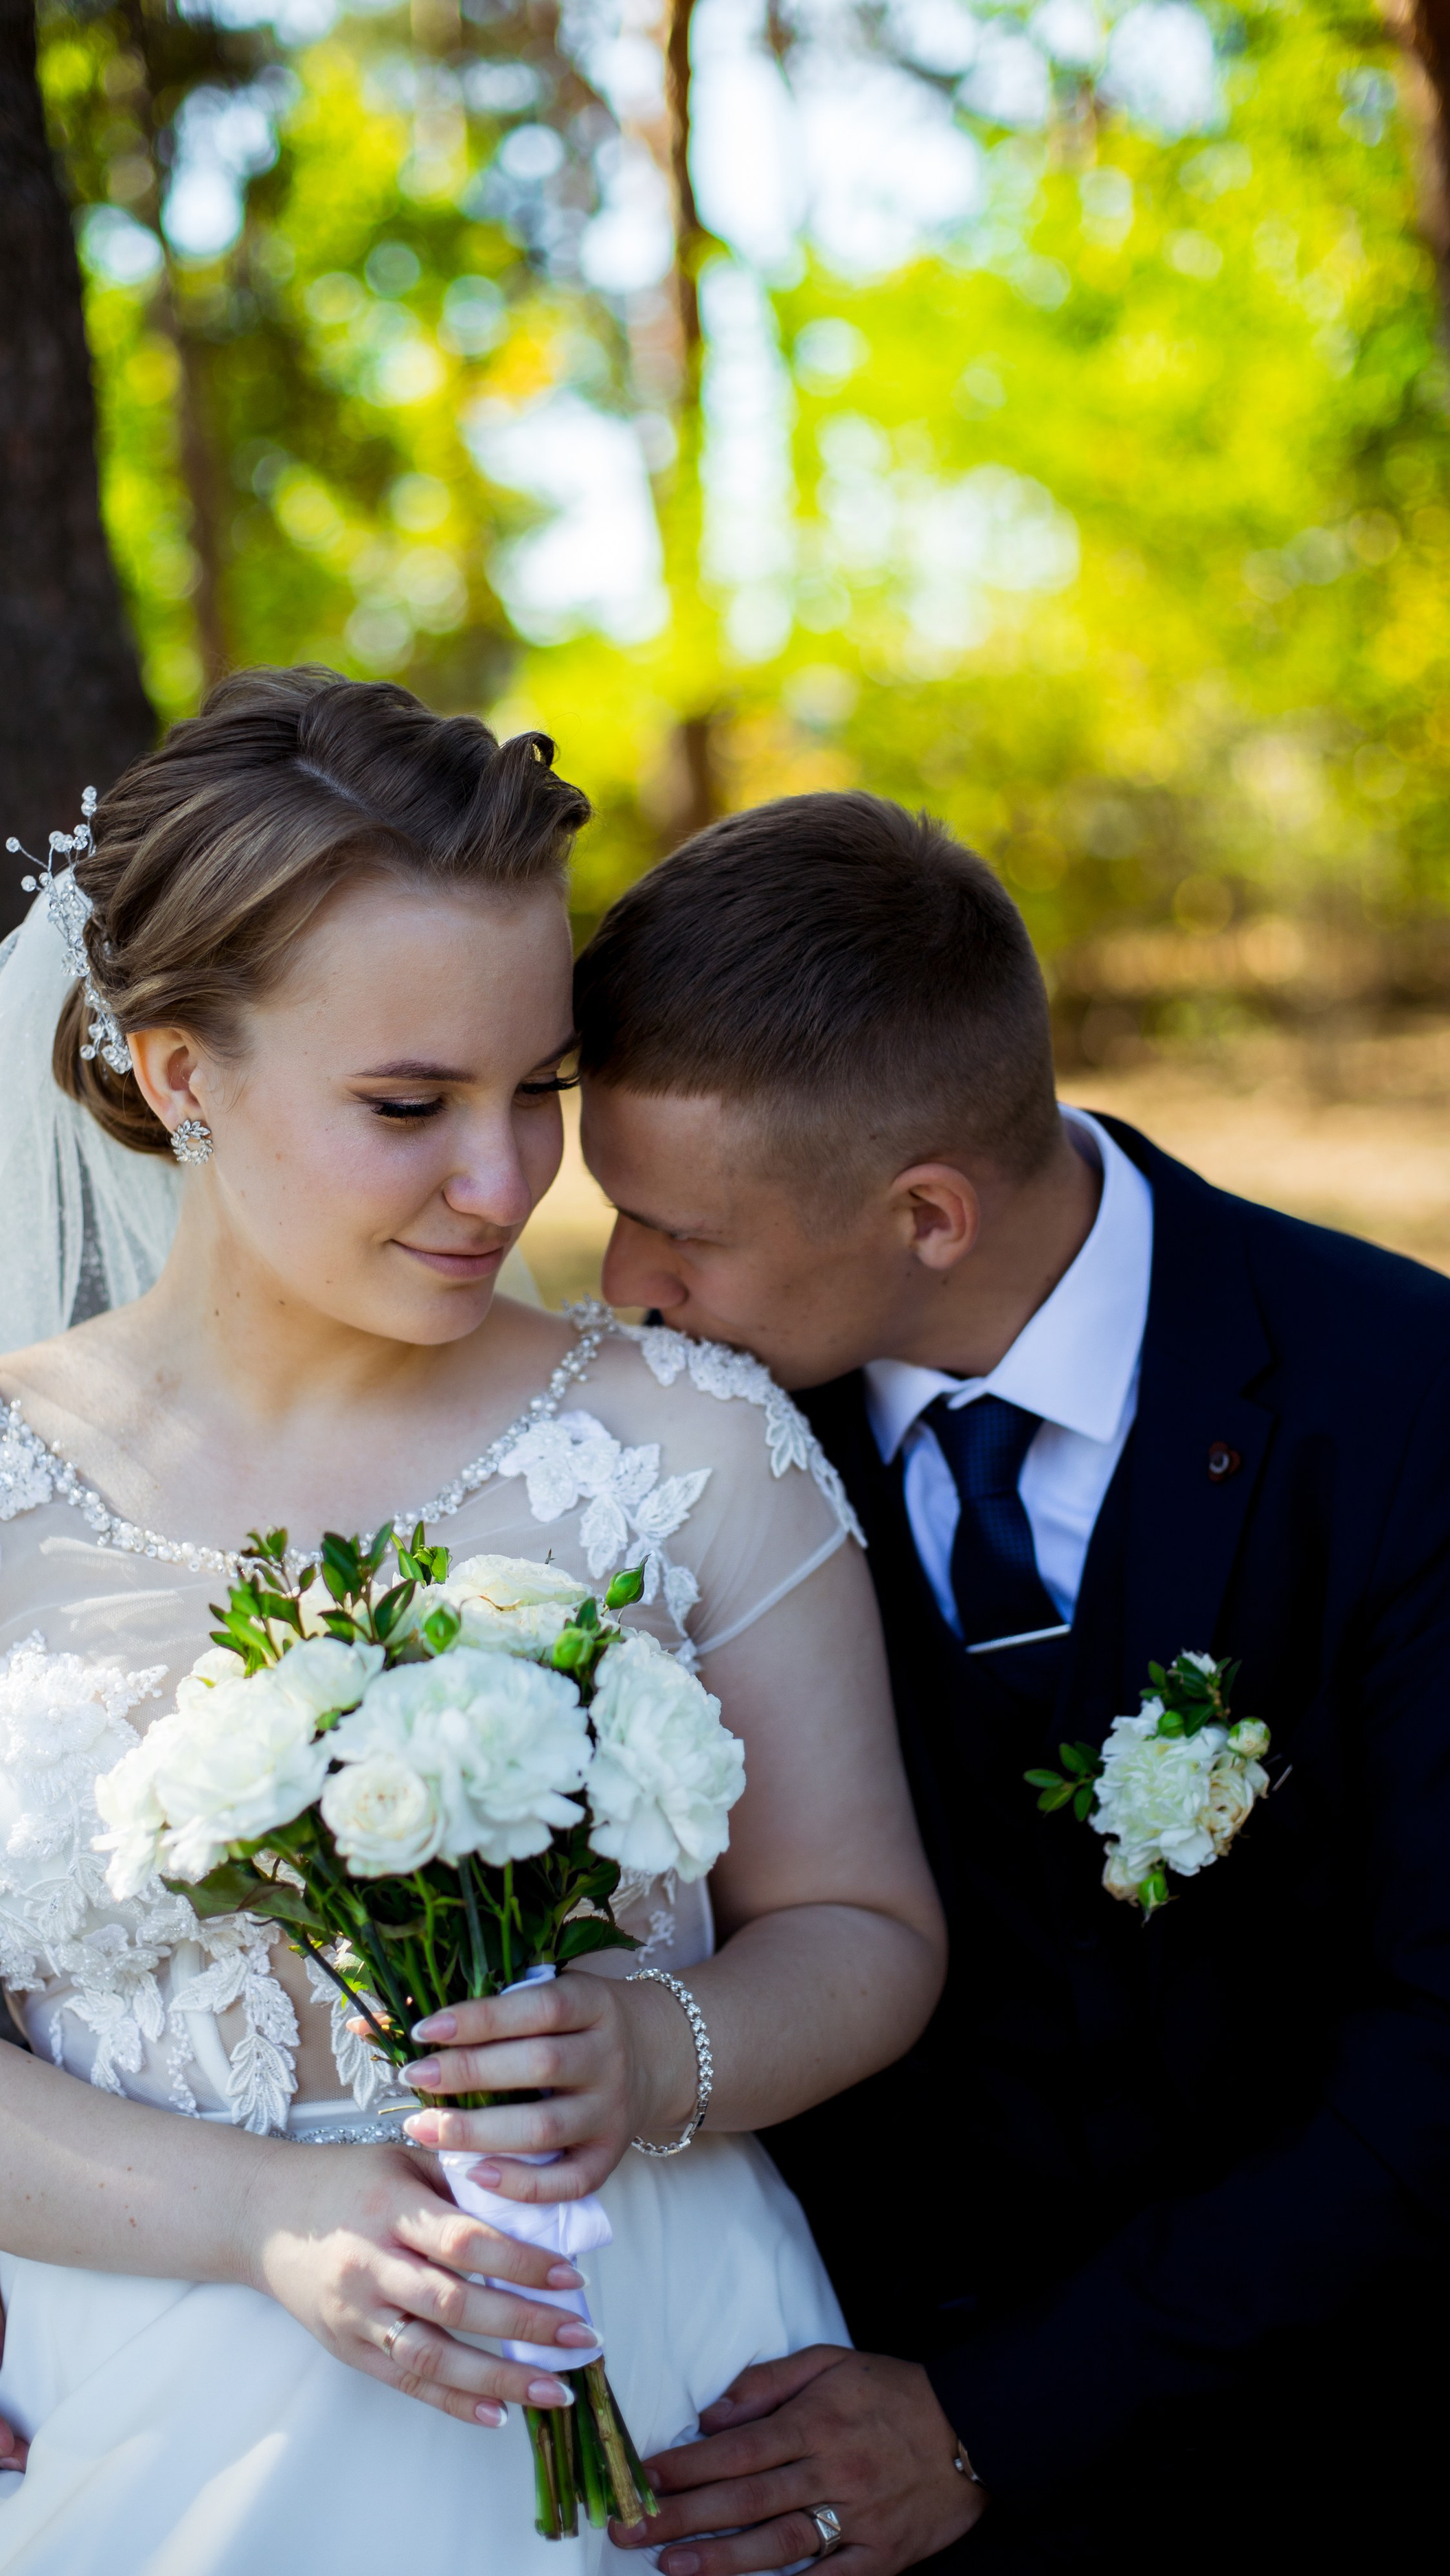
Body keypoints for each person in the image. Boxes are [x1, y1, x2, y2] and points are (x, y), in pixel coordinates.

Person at [0, 680, 945, 2576]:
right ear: (178, 1071)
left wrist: (658, 2050)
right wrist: (263, 2217)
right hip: (117, 2400)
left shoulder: (687, 1441)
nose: (504, 1182)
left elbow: (865, 1931)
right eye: (407, 1106)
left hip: (639, 2361)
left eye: (533, 1089)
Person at [569, 795, 1450, 2573]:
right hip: (789, 2423)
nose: (622, 1288)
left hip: (1339, 2438)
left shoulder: (1404, 1404)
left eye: (683, 1234)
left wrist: (994, 2422)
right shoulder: (650, 1442)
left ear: (929, 1217)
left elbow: (1443, 2045)